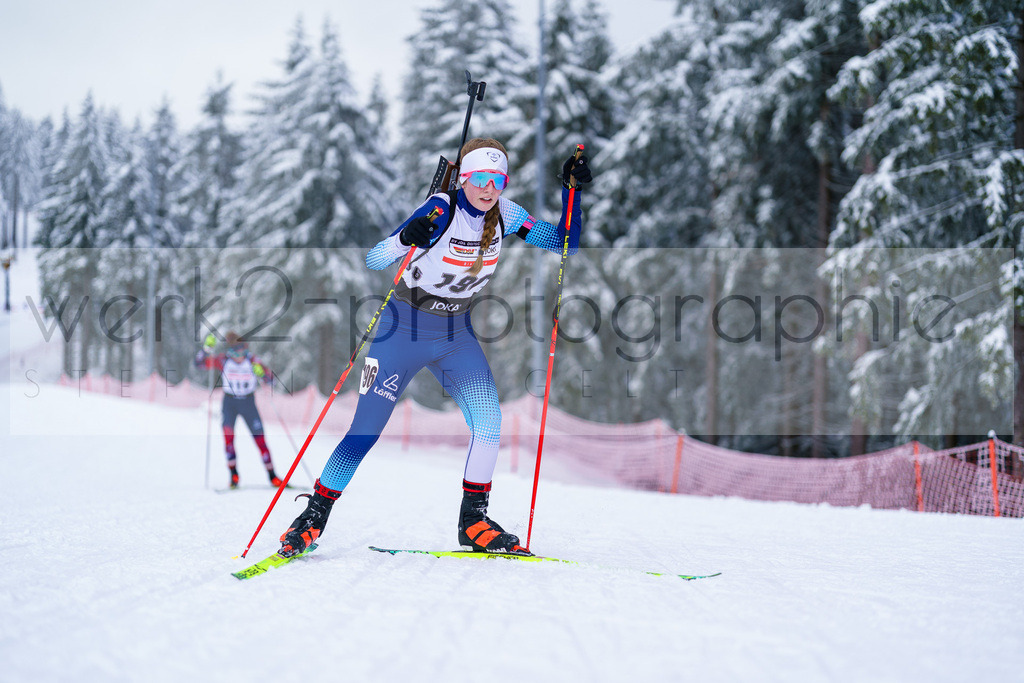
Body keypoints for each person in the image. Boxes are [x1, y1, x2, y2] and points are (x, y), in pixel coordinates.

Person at [279, 138, 592, 557]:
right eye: (480, 178)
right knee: (365, 432)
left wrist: (571, 192)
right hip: (400, 331)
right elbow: (375, 259)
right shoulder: (441, 210)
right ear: (464, 179)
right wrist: (406, 237)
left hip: (453, 335)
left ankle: (474, 522)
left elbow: (562, 241)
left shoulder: (507, 214)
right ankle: (312, 520)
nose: (488, 188)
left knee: (489, 423)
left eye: (497, 180)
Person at [195, 331, 283, 489]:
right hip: (230, 403)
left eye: (243, 350)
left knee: (260, 439)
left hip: (248, 403)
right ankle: (233, 476)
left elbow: (272, 382)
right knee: (228, 438)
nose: (239, 355)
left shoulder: (253, 361)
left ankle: (273, 476)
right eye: (235, 351)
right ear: (230, 350)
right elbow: (200, 364)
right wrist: (207, 349)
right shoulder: (223, 360)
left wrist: (262, 374)